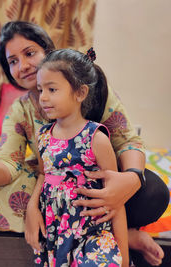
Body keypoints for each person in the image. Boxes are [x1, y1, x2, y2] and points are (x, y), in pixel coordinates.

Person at [0, 21, 169, 266]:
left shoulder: (93, 96)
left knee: (153, 191)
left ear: (47, 51)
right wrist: (33, 206)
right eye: (12, 61)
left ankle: (112, 236)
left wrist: (131, 178)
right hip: (54, 194)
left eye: (30, 53)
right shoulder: (22, 110)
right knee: (3, 188)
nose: (23, 66)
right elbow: (8, 164)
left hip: (101, 181)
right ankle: (128, 236)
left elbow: (127, 140)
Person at [27, 48, 128, 266]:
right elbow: (43, 175)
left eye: (52, 89)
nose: (43, 98)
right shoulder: (43, 135)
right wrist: (32, 207)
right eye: (40, 90)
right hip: (56, 236)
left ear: (80, 93)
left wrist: (124, 256)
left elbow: (116, 200)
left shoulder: (96, 137)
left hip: (92, 233)